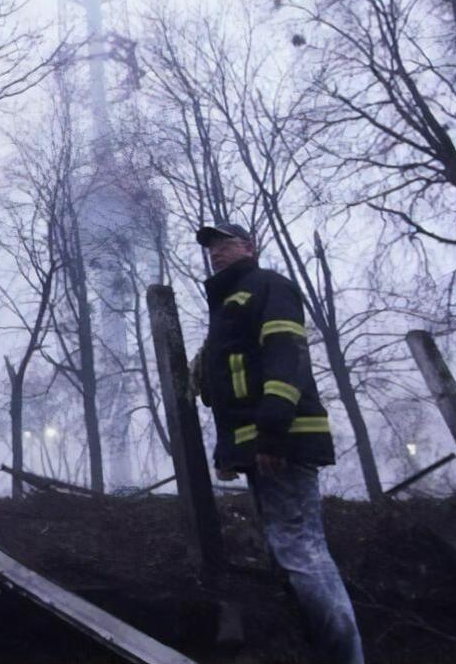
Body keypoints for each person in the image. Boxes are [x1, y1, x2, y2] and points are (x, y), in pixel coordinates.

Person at [193, 221, 363, 664]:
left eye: (224, 243)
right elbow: (236, 381)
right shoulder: (229, 304)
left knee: (302, 550)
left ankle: (345, 655)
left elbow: (285, 355)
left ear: (248, 247)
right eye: (211, 247)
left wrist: (271, 434)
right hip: (262, 444)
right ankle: (316, 649)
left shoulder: (268, 286)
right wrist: (229, 447)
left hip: (282, 440)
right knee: (289, 549)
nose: (215, 252)